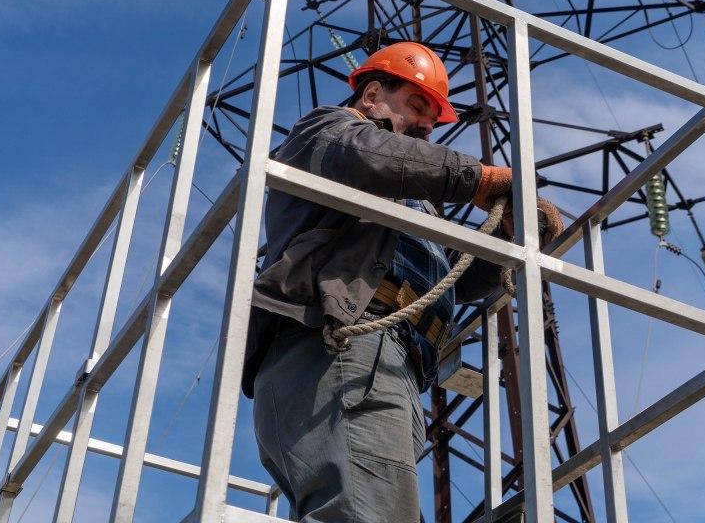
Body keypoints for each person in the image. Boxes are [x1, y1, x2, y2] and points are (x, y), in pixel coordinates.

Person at [241, 41, 563, 523]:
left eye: (433, 121)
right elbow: (373, 157)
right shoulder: (329, 131)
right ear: (372, 94)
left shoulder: (410, 200)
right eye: (417, 106)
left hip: (380, 362)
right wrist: (478, 179)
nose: (426, 127)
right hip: (342, 349)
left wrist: (506, 241)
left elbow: (452, 279)